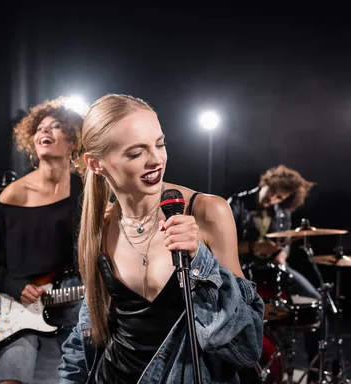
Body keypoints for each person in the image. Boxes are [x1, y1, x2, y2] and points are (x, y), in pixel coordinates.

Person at [58, 94, 264, 384]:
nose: (156, 160)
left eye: (160, 143)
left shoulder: (206, 212)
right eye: (135, 153)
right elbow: (87, 334)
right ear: (95, 163)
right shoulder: (101, 226)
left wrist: (200, 261)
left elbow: (248, 343)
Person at [0, 97, 85, 384]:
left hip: (74, 296)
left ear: (73, 141)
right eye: (40, 128)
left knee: (80, 367)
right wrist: (15, 286)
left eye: (56, 126)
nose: (44, 131)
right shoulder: (14, 194)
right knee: (14, 370)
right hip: (20, 302)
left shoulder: (86, 189)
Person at [227, 165, 320, 383]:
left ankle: (314, 374)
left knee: (317, 303)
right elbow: (221, 244)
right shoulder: (236, 203)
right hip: (241, 269)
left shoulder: (282, 212)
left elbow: (284, 245)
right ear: (264, 183)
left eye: (280, 197)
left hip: (273, 271)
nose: (274, 199)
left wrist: (282, 255)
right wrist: (253, 247)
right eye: (272, 192)